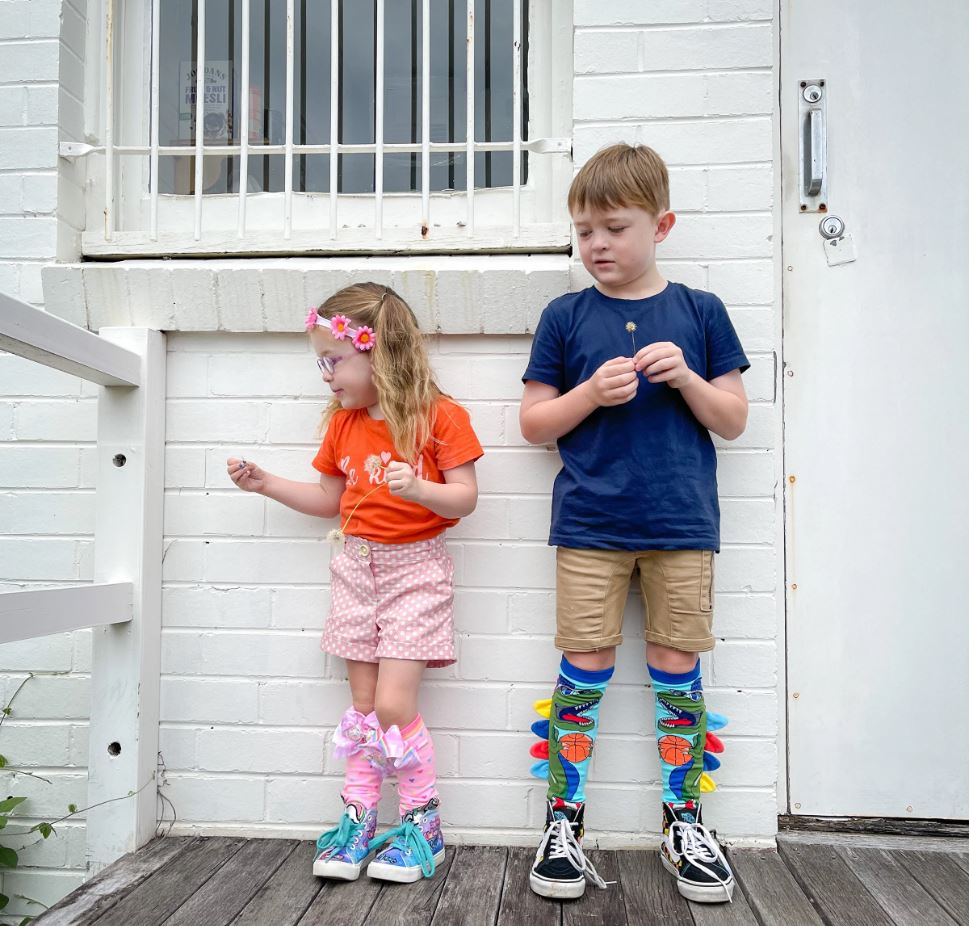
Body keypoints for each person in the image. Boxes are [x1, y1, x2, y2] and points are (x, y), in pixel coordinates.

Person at [520, 143, 749, 903]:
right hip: (590, 524)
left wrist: (685, 377)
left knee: (677, 667)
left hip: (682, 524)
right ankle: (563, 823)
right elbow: (533, 424)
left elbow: (733, 419)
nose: (597, 245)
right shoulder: (564, 316)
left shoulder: (701, 312)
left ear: (662, 225)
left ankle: (685, 822)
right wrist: (589, 393)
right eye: (584, 231)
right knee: (582, 665)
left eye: (614, 228)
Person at [227, 283, 483, 883]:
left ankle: (422, 824)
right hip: (354, 570)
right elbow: (329, 498)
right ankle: (360, 820)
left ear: (379, 352)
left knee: (394, 704)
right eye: (320, 363)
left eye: (334, 360)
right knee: (365, 710)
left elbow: (466, 498)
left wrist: (418, 489)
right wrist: (267, 484)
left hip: (415, 571)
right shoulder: (344, 425)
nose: (326, 375)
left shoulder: (440, 416)